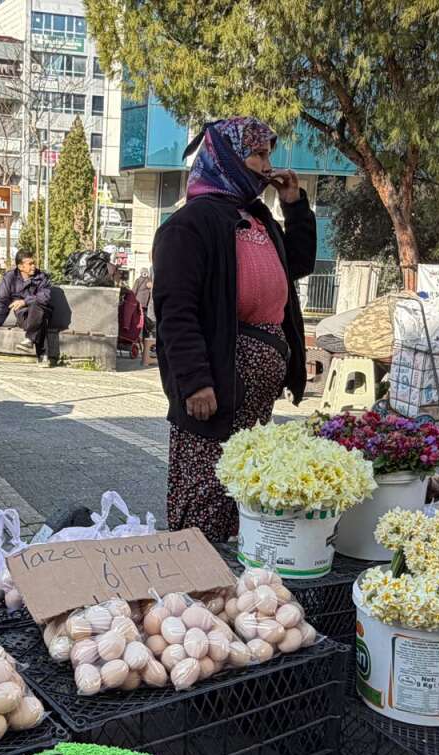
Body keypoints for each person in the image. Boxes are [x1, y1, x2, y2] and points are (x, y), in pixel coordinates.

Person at [152, 116, 315, 540]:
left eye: (268, 155)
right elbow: (176, 311)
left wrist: (295, 205)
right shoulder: (191, 224)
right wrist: (194, 382)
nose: (267, 165)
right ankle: (195, 580)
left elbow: (298, 265)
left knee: (241, 489)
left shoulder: (257, 217)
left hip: (255, 398)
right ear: (226, 157)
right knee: (206, 489)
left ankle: (234, 586)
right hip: (216, 387)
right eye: (257, 154)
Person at [0, 250, 59, 364]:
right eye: (30, 264)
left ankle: (30, 339)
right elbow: (3, 300)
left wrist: (25, 301)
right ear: (20, 266)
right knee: (40, 320)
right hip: (24, 316)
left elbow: (45, 297)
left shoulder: (41, 277)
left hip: (44, 311)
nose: (34, 266)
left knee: (38, 306)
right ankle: (42, 356)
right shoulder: (10, 277)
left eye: (34, 263)